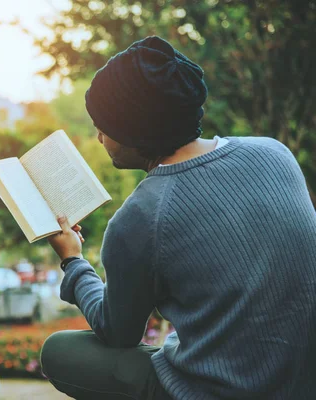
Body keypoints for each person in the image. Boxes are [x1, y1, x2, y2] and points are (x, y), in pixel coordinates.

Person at [40, 35, 316, 400]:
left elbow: (117, 332)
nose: (99, 136)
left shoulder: (141, 215)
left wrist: (73, 260)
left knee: (59, 351)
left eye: (105, 125)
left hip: (220, 389)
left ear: (134, 131)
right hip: (302, 381)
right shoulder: (274, 153)